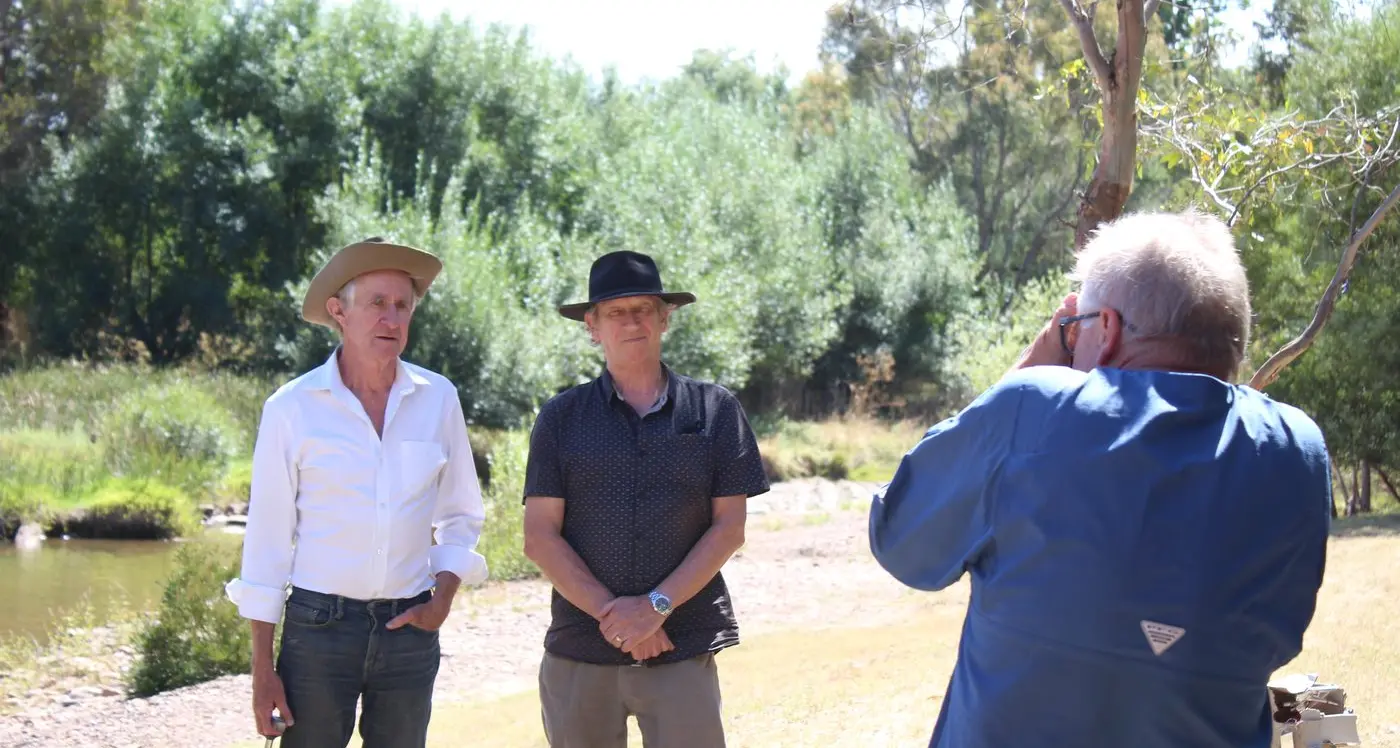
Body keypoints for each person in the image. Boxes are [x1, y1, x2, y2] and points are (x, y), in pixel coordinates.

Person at [869, 210, 1333, 748]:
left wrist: (1031, 365)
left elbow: (901, 540)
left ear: (1107, 330)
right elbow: (1273, 634)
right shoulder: (1296, 449)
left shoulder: (1032, 410)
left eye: (1077, 326)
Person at [226, 236, 489, 748]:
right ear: (338, 312)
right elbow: (266, 544)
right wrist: (262, 669)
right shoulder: (290, 409)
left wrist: (443, 599)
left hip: (410, 630)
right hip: (317, 631)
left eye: (402, 307)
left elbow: (461, 514)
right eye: (377, 304)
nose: (392, 319)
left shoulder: (439, 399)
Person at [522, 250, 770, 748]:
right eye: (615, 311)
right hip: (580, 650)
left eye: (643, 309)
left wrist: (656, 607)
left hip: (682, 644)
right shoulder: (560, 418)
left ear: (665, 318)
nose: (631, 321)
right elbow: (540, 536)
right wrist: (620, 617)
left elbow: (730, 529)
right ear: (592, 326)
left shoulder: (715, 409)